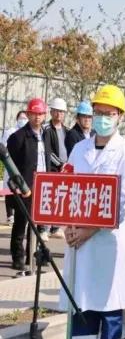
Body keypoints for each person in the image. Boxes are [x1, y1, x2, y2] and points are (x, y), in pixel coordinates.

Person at [59, 84, 125, 339]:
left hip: (108, 246)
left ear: (120, 116)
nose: (102, 118)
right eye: (98, 112)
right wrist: (70, 227)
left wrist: (88, 230)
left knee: (108, 317)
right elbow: (67, 190)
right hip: (79, 247)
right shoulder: (79, 149)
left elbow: (123, 202)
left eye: (109, 113)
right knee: (82, 314)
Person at [7, 99, 53, 272]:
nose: (37, 117)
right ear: (28, 114)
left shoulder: (46, 135)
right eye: (34, 114)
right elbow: (11, 164)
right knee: (21, 223)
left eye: (40, 114)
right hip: (25, 187)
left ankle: (32, 255)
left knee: (37, 224)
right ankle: (17, 257)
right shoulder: (18, 137)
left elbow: (48, 158)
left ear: (44, 115)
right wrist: (18, 185)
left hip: (43, 185)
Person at [42, 97, 69, 239]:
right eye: (56, 111)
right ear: (51, 112)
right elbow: (48, 151)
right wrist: (60, 164)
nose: (59, 114)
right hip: (51, 169)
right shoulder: (46, 129)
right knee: (48, 198)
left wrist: (67, 165)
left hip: (64, 170)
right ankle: (44, 228)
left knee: (59, 198)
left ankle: (55, 227)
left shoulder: (67, 130)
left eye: (62, 111)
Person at [2, 110, 28, 225]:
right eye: (21, 118)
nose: (23, 120)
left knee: (22, 191)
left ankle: (20, 214)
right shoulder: (10, 131)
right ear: (17, 119)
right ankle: (10, 215)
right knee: (9, 191)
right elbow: (3, 146)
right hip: (10, 164)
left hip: (22, 167)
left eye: (25, 118)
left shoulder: (28, 132)